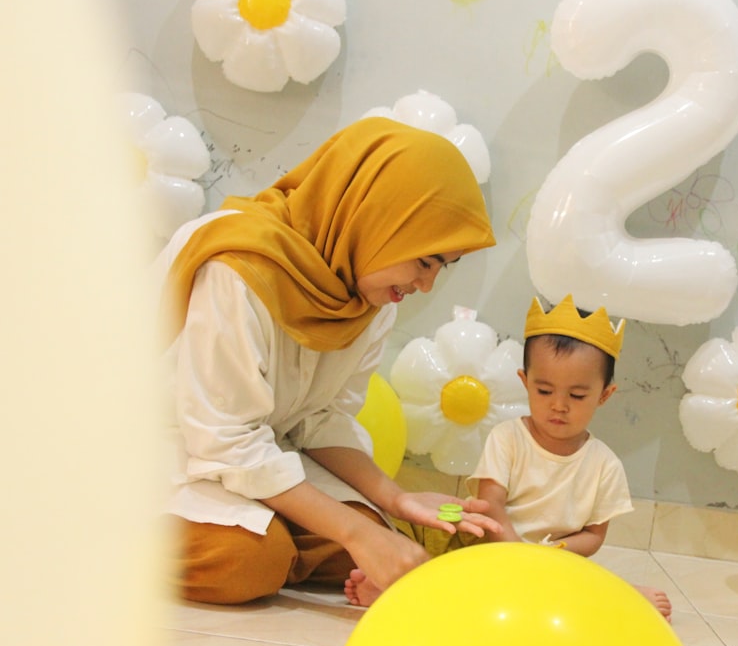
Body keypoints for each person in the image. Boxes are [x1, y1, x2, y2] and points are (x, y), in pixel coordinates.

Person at [155, 116, 502, 605]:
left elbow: (322, 419)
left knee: (373, 540)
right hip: (164, 451)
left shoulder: (368, 295)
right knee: (250, 561)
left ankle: (281, 538)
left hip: (251, 453)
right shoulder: (237, 268)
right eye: (425, 261)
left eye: (442, 268)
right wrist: (361, 539)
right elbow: (225, 441)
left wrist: (394, 499)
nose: (426, 285)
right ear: (377, 218)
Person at [346, 294, 672, 621]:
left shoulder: (605, 464)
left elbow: (593, 535)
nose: (559, 405)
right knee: (445, 558)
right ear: (524, 382)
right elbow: (491, 506)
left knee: (571, 589)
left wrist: (551, 554)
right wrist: (513, 551)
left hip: (549, 562)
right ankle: (398, 584)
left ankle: (625, 596)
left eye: (577, 395)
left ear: (604, 395)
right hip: (490, 546)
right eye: (544, 391)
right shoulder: (509, 438)